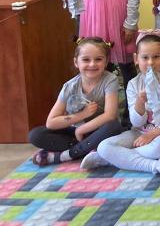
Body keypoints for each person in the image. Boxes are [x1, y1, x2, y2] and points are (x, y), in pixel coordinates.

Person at [81, 33, 160, 175]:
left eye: (156, 57)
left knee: (159, 148)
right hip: (137, 132)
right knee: (104, 146)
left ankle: (109, 159)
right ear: (136, 59)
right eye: (145, 57)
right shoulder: (133, 84)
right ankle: (158, 166)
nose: (150, 62)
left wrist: (153, 134)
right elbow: (136, 123)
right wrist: (140, 102)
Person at [29, 37, 123, 166]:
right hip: (76, 134)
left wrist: (82, 130)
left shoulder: (110, 80)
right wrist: (82, 116)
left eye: (98, 59)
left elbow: (110, 115)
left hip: (99, 131)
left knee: (114, 126)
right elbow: (51, 122)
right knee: (36, 135)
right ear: (76, 62)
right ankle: (86, 149)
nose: (92, 64)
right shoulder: (70, 86)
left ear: (106, 62)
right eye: (86, 60)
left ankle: (67, 155)